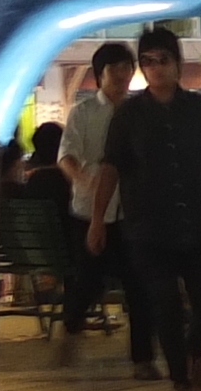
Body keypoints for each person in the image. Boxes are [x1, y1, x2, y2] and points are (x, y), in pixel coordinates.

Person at [90, 25, 201, 391]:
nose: (154, 68)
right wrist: (97, 219)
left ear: (178, 64)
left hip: (195, 222)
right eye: (147, 62)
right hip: (148, 228)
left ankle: (194, 353)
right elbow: (111, 168)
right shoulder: (129, 115)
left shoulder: (198, 108)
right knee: (165, 306)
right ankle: (180, 384)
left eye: (162, 60)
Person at [56, 39, 140, 370]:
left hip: (131, 210)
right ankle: (72, 326)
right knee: (90, 278)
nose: (121, 75)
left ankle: (141, 353)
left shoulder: (138, 111)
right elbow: (66, 155)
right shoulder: (85, 112)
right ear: (98, 75)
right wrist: (82, 177)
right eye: (114, 69)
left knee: (137, 281)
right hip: (90, 209)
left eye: (126, 68)